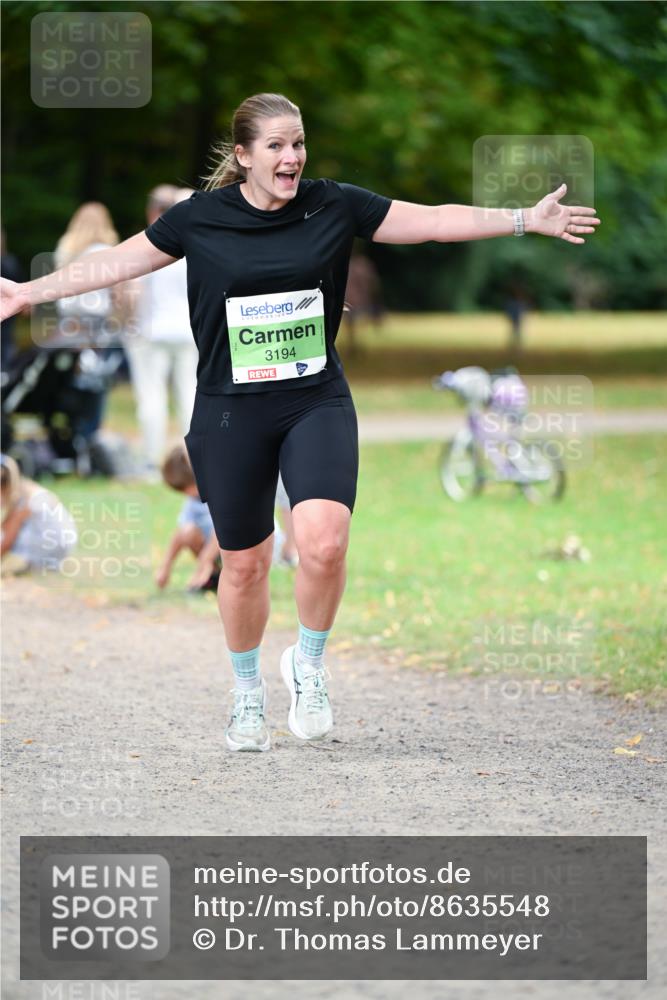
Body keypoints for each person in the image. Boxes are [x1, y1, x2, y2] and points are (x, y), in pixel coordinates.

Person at [0, 93, 600, 753]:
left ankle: (307, 666)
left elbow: (429, 220)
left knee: (323, 543)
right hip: (230, 408)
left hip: (314, 398)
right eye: (277, 146)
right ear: (244, 156)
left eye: (298, 143)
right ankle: (247, 693)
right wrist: (27, 292)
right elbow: (117, 260)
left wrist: (523, 218)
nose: (291, 158)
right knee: (247, 563)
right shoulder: (199, 218)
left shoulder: (331, 203)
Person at [124, 185, 198, 474]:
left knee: (151, 396)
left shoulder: (148, 244)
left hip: (151, 331)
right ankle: (193, 457)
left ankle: (151, 459)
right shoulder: (192, 245)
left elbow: (133, 294)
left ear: (152, 211)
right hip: (186, 329)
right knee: (189, 395)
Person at [157, 443, 221, 593]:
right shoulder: (193, 501)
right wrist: (165, 567)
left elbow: (221, 532)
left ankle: (207, 572)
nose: (186, 493)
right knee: (188, 531)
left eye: (186, 487)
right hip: (217, 553)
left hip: (241, 546)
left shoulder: (219, 493)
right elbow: (181, 533)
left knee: (220, 530)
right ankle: (214, 576)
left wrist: (204, 562)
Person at [1, 453, 77, 575]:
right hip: (64, 543)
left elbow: (7, 540)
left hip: (52, 544)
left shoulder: (23, 499)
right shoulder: (26, 488)